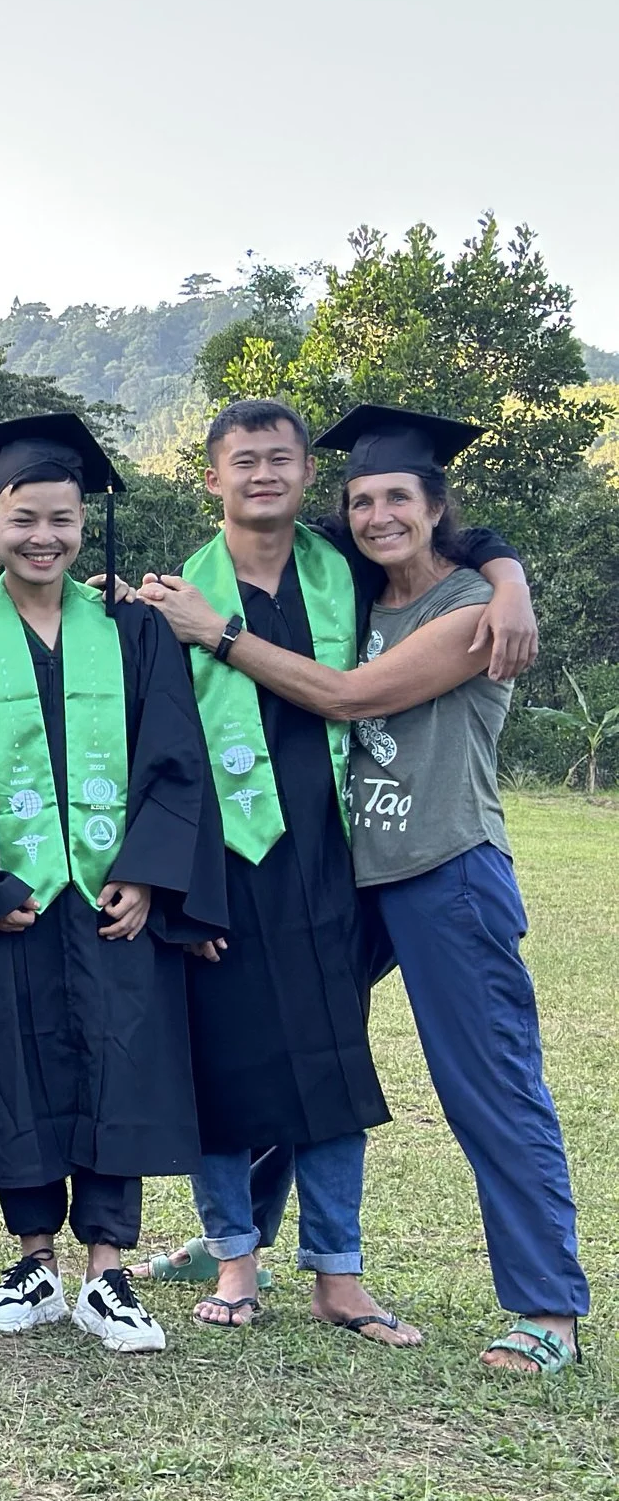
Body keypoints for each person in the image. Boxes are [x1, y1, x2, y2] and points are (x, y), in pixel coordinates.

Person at [137, 404, 589, 1376]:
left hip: (442, 873)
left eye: (399, 499)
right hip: (352, 869)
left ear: (437, 508)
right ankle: (232, 1246)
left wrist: (512, 584)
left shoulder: (469, 609)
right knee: (291, 1037)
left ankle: (548, 1308)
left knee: (487, 1085)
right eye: (363, 501)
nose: (379, 516)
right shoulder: (355, 584)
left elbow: (345, 697)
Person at [0, 413, 223, 1354]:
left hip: (106, 904)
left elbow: (174, 757)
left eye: (62, 519)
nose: (43, 537)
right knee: (15, 1066)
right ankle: (34, 1260)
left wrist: (146, 875)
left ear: (85, 523)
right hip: (16, 903)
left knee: (118, 1064)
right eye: (24, 519)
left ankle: (108, 1270)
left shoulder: (133, 632)